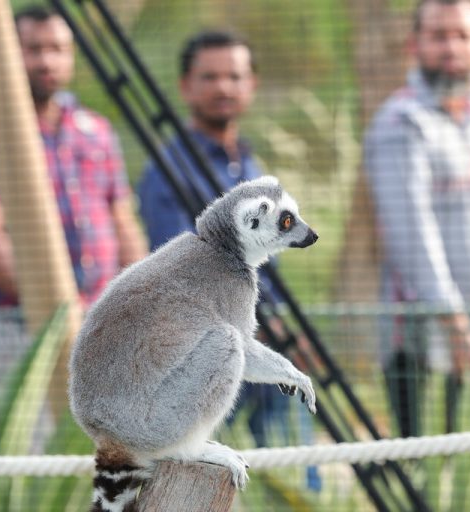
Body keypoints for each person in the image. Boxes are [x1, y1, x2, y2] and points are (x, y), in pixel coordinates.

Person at [137, 30, 320, 491]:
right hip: (212, 351)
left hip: (265, 337)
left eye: (234, 76)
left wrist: (287, 334)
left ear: (252, 84)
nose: (223, 87)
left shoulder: (251, 167)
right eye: (210, 77)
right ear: (185, 86)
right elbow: (182, 271)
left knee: (295, 483)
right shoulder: (168, 168)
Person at [0, 4, 147, 387]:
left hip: (101, 325)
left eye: (57, 49)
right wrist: (59, 310)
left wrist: (136, 297)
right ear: (9, 54)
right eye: (33, 49)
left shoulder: (96, 131)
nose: (46, 61)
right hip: (22, 330)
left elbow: (122, 221)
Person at [364, 0, 470, 441]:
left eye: (463, 36)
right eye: (439, 36)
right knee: (440, 472)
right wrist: (456, 327)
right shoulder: (400, 124)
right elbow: (411, 235)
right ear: (414, 44)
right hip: (429, 344)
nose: (451, 48)